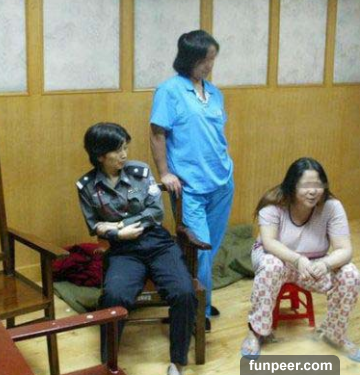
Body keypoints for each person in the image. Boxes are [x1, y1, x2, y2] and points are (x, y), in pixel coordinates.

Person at [76, 122, 196, 375]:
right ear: (100, 155)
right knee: (114, 296)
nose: (124, 154)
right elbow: (94, 225)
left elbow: (156, 212)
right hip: (123, 250)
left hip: (157, 243)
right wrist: (118, 234)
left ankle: (178, 362)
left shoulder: (140, 171)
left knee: (184, 292)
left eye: (125, 148)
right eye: (117, 150)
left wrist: (119, 224)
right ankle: (109, 364)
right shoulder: (87, 186)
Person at [149, 29, 233, 329]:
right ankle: (197, 312)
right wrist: (164, 173)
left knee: (211, 248)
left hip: (222, 182)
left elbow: (216, 134)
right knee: (199, 250)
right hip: (190, 187)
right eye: (205, 59)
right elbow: (157, 133)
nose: (210, 65)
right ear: (189, 58)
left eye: (213, 59)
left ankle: (201, 299)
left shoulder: (215, 93)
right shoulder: (169, 91)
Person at [240, 157, 360, 360]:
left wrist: (325, 264)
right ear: (292, 185)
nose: (313, 191)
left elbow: (345, 249)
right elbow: (269, 243)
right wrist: (298, 260)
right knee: (271, 265)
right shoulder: (273, 204)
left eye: (318, 185)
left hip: (314, 263)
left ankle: (335, 333)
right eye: (306, 185)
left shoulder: (332, 207)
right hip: (278, 259)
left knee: (350, 274)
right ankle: (257, 331)